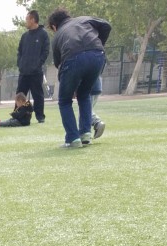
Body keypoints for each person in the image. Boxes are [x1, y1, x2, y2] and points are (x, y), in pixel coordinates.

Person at [47, 7, 110, 147]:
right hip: (98, 55)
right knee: (84, 94)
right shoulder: (84, 19)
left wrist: (69, 85)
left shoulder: (57, 36)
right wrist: (99, 43)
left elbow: (59, 63)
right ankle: (85, 134)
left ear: (54, 26)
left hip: (72, 59)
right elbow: (106, 26)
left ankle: (73, 139)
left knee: (64, 101)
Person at [17, 10, 50, 123]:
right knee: (20, 95)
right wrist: (20, 64)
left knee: (38, 95)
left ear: (33, 20)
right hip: (24, 72)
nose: (25, 22)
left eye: (27, 19)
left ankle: (40, 117)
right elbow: (19, 52)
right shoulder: (24, 36)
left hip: (36, 72)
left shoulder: (43, 34)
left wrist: (37, 64)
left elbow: (45, 52)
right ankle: (19, 116)